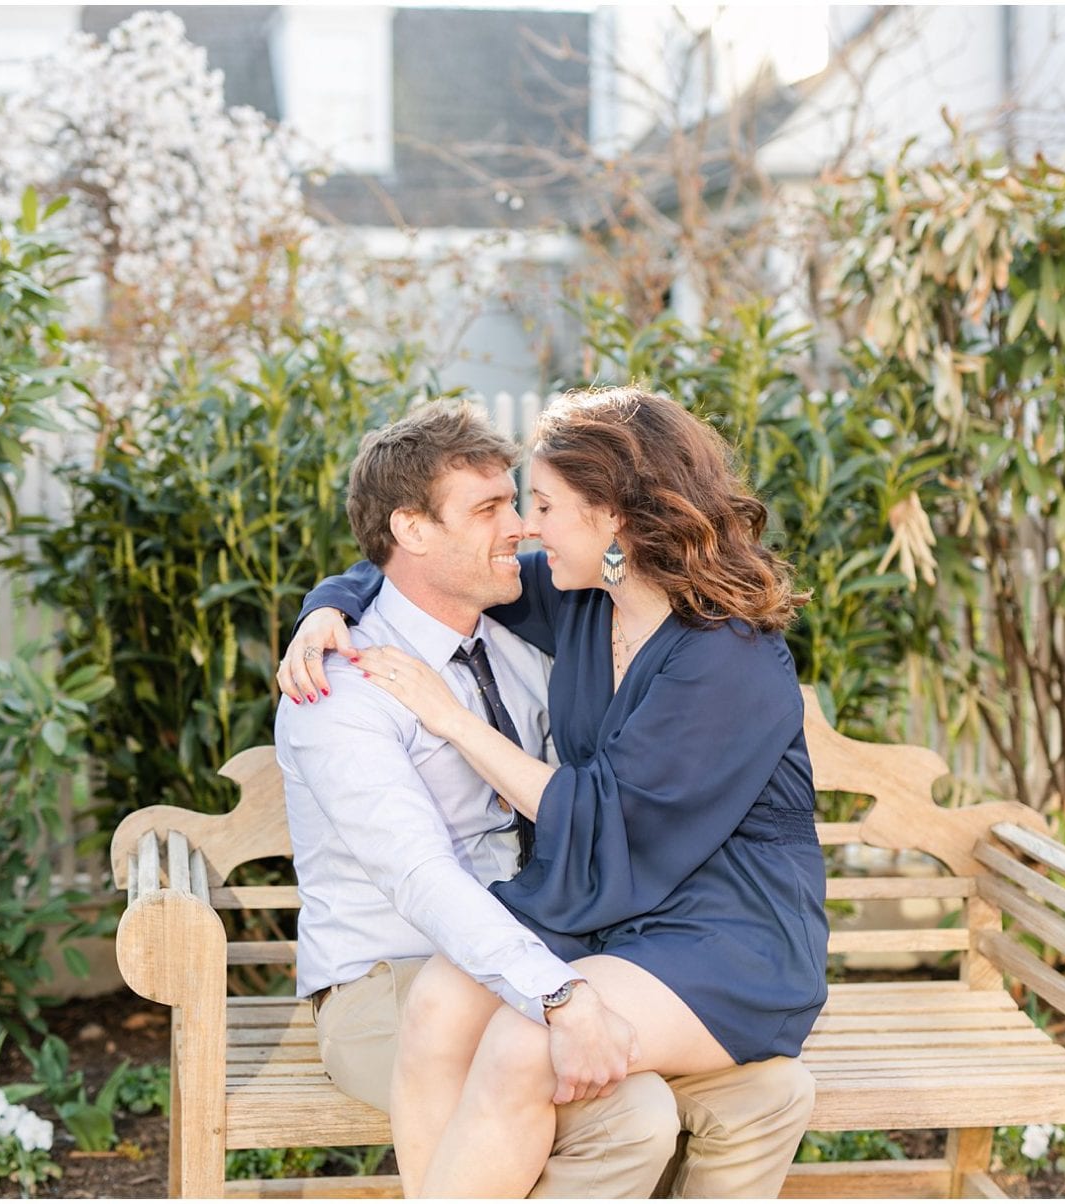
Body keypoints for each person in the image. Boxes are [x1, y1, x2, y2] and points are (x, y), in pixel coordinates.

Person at [282, 388, 829, 1198]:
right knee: (437, 999)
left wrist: (451, 718)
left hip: (726, 930)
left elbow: (608, 820)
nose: (526, 528)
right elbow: (410, 570)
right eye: (512, 505)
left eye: (539, 504)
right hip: (621, 912)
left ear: (613, 517)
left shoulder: (728, 659)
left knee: (520, 1045)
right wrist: (327, 606)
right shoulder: (579, 601)